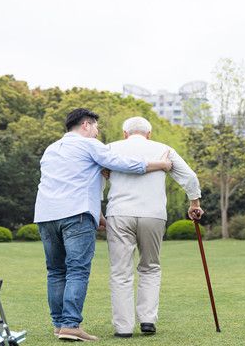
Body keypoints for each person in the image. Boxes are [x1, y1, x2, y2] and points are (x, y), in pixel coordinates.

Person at [34, 108, 173, 342]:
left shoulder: (51, 149)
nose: (98, 133)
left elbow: (77, 179)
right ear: (86, 125)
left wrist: (98, 213)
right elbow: (124, 163)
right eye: (96, 127)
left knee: (56, 271)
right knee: (77, 270)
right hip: (76, 215)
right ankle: (71, 325)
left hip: (46, 215)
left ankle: (59, 325)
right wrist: (160, 165)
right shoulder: (89, 145)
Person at [103, 116, 203, 338]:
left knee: (121, 271)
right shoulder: (162, 149)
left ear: (124, 133)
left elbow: (96, 176)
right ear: (149, 134)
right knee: (150, 266)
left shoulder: (110, 148)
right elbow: (189, 176)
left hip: (119, 213)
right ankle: (147, 320)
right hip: (153, 215)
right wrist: (194, 203)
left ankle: (123, 328)